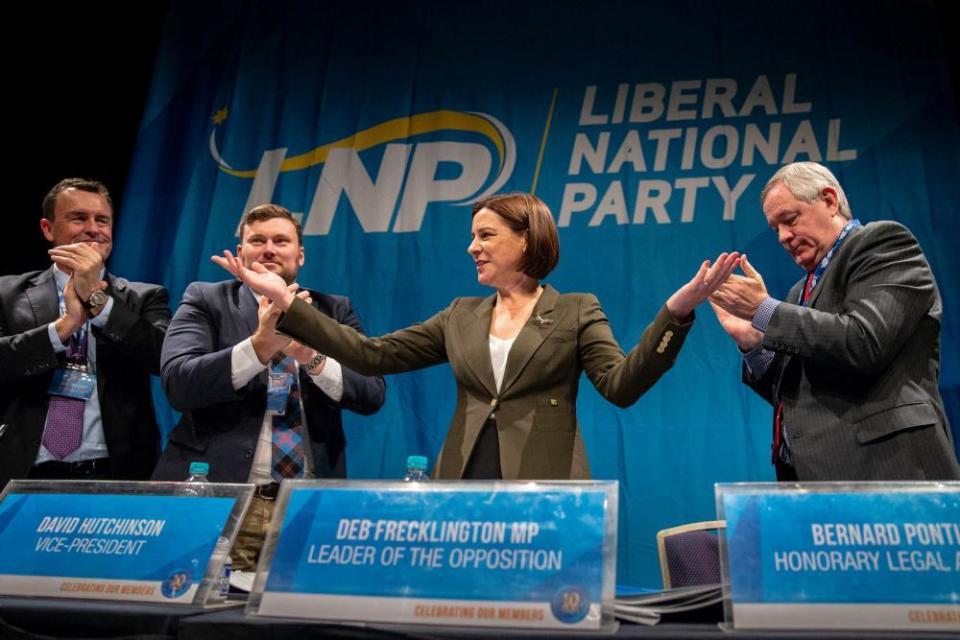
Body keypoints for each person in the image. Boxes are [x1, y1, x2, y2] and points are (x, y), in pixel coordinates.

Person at [214, 193, 738, 480]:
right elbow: (370, 356)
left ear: (527, 238)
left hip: (544, 483)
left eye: (485, 235)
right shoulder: (460, 315)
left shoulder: (577, 310)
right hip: (460, 481)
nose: (472, 248)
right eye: (472, 236)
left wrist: (676, 312)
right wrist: (285, 304)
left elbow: (621, 385)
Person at [153, 204, 385, 569]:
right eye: (257, 240)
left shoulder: (334, 310)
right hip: (221, 499)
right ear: (242, 250)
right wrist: (260, 347)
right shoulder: (206, 299)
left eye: (281, 240)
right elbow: (179, 384)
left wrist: (310, 355)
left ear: (300, 254)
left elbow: (371, 393)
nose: (269, 249)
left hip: (306, 506)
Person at [710, 161, 960, 481]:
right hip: (820, 478)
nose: (784, 237)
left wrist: (765, 311)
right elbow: (797, 393)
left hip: (888, 469)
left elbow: (864, 342)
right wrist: (754, 341)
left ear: (829, 200)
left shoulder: (883, 244)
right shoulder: (798, 291)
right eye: (776, 230)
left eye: (790, 219)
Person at [0, 178, 170, 488]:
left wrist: (98, 301)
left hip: (115, 471)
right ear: (48, 229)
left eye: (102, 220)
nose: (94, 228)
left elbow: (164, 358)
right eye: (79, 218)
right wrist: (62, 329)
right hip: (21, 469)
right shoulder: (6, 292)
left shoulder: (144, 297)